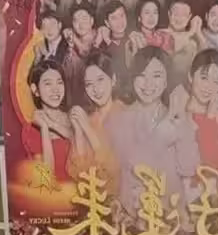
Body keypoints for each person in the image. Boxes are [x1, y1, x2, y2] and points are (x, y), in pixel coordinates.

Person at [105, 46, 200, 215]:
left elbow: (188, 168)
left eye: (156, 76)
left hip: (170, 213)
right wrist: (162, 134)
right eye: (142, 76)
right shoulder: (119, 118)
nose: (148, 84)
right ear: (133, 78)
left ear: (166, 81)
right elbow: (132, 166)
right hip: (133, 214)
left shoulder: (175, 116)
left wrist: (182, 121)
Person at [67, 51, 121, 192]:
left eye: (100, 80)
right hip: (92, 198)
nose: (96, 89)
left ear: (113, 79)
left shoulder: (125, 115)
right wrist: (79, 133)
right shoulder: (89, 119)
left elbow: (114, 169)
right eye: (89, 84)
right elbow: (77, 174)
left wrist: (87, 129)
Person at [22, 59, 73, 182]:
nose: (56, 89)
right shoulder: (31, 131)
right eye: (48, 84)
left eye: (59, 82)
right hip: (56, 192)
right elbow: (46, 174)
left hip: (84, 190)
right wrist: (44, 128)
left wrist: (52, 125)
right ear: (35, 90)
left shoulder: (75, 118)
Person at [163, 0, 203, 76]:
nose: (179, 19)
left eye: (184, 15)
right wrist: (191, 32)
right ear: (169, 14)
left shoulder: (193, 41)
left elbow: (204, 62)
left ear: (189, 17)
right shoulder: (161, 33)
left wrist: (199, 33)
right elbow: (175, 48)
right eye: (176, 14)